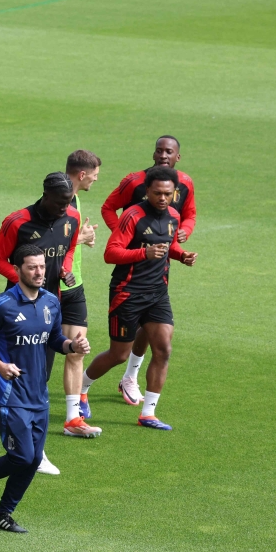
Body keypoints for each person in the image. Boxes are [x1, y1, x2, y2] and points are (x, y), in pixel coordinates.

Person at [0, 244, 91, 533]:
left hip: (38, 395)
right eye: (32, 267)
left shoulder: (50, 302)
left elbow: (55, 339)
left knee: (33, 460)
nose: (38, 272)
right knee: (22, 456)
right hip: (10, 395)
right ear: (18, 269)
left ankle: (3, 515)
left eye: (42, 267)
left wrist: (73, 346)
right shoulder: (3, 305)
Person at [0, 172, 88, 476]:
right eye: (59, 202)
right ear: (45, 195)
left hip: (48, 307)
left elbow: (68, 249)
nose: (64, 207)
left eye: (69, 201)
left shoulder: (72, 217)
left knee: (38, 377)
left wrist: (66, 269)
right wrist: (25, 278)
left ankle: (1, 420)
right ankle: (33, 448)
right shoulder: (17, 222)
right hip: (16, 309)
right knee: (22, 378)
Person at [82, 166, 197, 430]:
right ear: (147, 191)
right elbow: (111, 253)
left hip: (158, 293)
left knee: (164, 349)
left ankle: (148, 414)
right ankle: (81, 389)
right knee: (119, 354)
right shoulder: (133, 216)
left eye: (168, 194)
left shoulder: (173, 217)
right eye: (157, 193)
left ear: (174, 193)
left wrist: (182, 256)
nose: (162, 198)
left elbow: (170, 246)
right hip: (127, 292)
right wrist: (143, 253)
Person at [100, 136, 196, 405]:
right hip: (130, 278)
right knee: (120, 349)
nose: (164, 155)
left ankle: (135, 385)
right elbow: (108, 208)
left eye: (170, 151)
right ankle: (85, 386)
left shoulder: (185, 184)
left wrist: (182, 241)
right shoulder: (134, 183)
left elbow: (188, 216)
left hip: (158, 274)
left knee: (159, 340)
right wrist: (126, 236)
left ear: (178, 157)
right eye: (160, 150)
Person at [60, 151, 102, 424]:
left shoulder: (74, 198)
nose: (95, 181)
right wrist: (80, 238)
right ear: (82, 174)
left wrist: (79, 239)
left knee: (77, 349)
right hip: (54, 288)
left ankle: (73, 417)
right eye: (95, 176)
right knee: (38, 356)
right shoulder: (59, 201)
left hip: (75, 285)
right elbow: (48, 245)